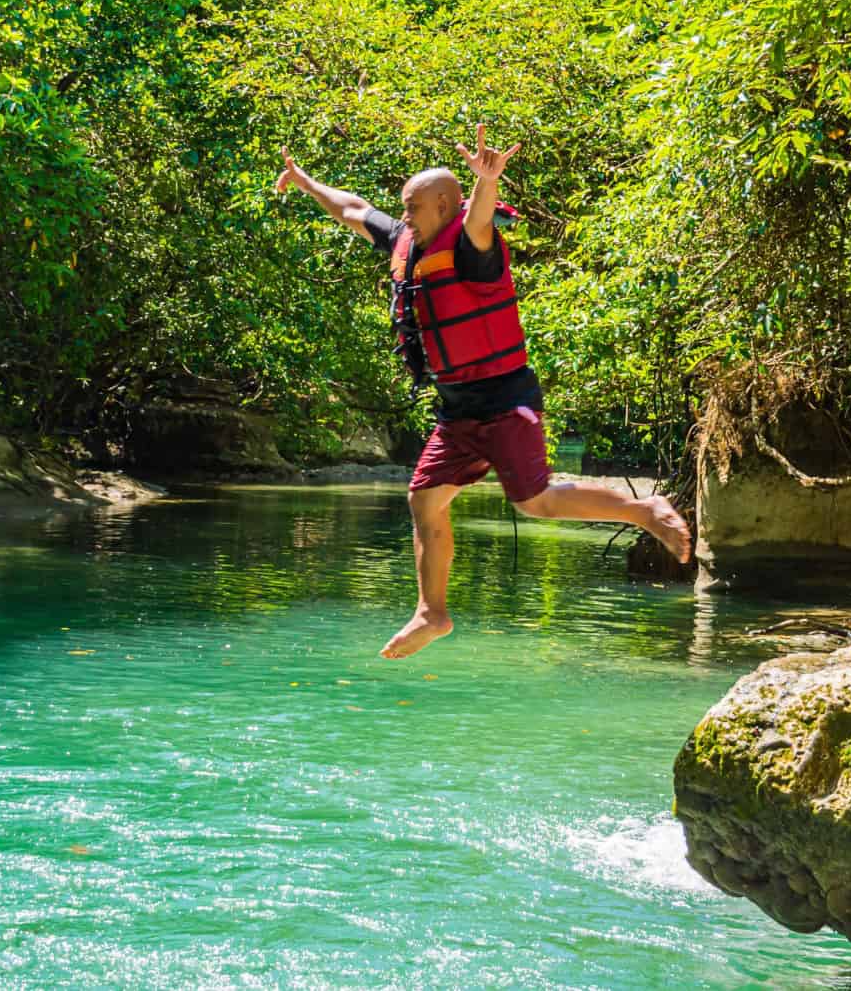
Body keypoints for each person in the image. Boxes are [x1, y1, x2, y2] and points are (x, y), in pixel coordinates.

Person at [274, 127, 693, 659]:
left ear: (446, 205)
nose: (404, 216)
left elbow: (477, 221)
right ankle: (432, 612)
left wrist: (486, 183)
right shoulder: (409, 242)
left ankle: (645, 510)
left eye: (414, 207)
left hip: (503, 399)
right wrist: (307, 183)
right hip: (457, 409)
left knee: (535, 503)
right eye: (403, 207)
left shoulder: (473, 247)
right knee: (424, 499)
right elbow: (354, 209)